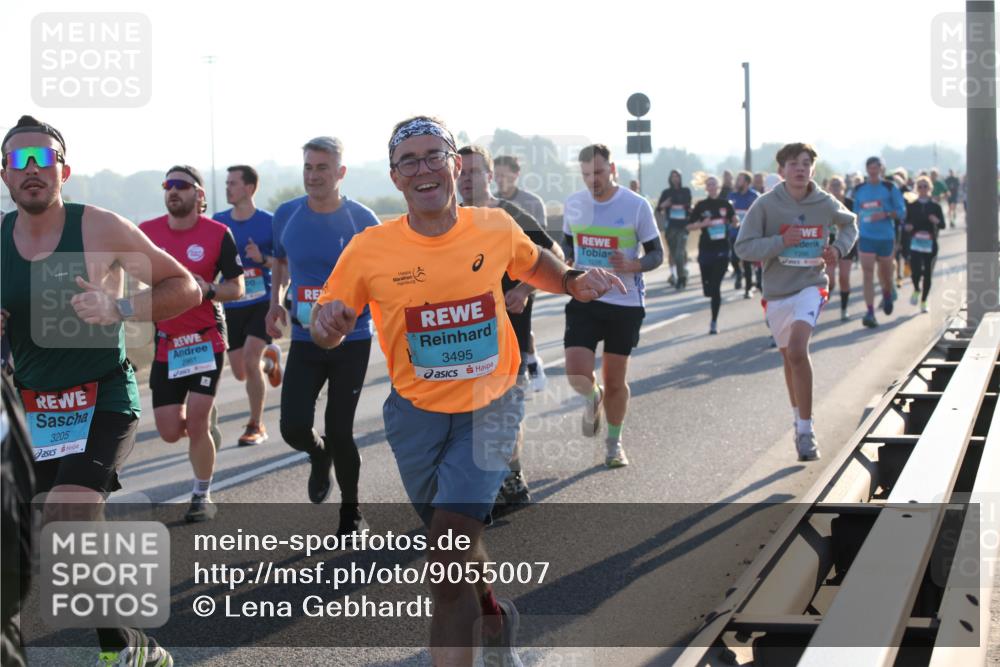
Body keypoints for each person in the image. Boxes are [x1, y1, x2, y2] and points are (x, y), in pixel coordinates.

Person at [311, 116, 624, 666]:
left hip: (492, 406)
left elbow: (538, 265)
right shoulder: (371, 248)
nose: (424, 168)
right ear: (395, 177)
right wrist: (329, 323)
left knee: (445, 560)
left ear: (456, 164)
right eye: (410, 161)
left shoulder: (494, 226)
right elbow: (324, 319)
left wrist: (573, 279)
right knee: (454, 544)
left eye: (435, 155)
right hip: (414, 416)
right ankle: (496, 619)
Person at [1, 114, 200, 666]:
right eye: (21, 160)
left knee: (67, 514)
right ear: (4, 174)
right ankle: (130, 646)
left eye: (45, 159)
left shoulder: (99, 227)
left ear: (65, 170)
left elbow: (184, 285)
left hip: (102, 399)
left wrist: (121, 307)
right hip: (34, 408)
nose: (33, 170)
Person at [265, 136, 380, 536]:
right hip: (304, 337)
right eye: (308, 168)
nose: (313, 176)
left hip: (353, 340)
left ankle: (351, 511)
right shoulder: (287, 214)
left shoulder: (362, 221)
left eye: (322, 168)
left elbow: (379, 278)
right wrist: (275, 301)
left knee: (341, 428)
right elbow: (280, 261)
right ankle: (318, 455)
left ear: (340, 173)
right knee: (293, 427)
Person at [735, 142, 857, 461]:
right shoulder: (765, 205)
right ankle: (798, 420)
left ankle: (806, 430)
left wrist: (838, 249)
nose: (800, 169)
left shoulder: (824, 202)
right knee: (789, 358)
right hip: (777, 292)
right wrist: (780, 242)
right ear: (781, 171)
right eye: (793, 164)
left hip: (811, 285)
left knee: (799, 350)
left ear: (812, 169)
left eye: (805, 163)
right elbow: (743, 248)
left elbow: (850, 223)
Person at [456, 144, 563, 509]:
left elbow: (556, 257)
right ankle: (487, 481)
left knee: (502, 410)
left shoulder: (509, 215)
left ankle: (512, 475)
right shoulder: (448, 218)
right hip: (466, 332)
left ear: (489, 177)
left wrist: (525, 288)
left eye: (473, 172)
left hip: (510, 328)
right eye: (460, 172)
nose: (465, 180)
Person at [140, 165, 245, 523]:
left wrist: (208, 290)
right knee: (170, 432)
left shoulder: (218, 233)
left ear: (199, 195)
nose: (173, 191)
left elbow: (237, 287)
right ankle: (205, 422)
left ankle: (202, 495)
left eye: (182, 185)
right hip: (167, 343)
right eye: (168, 185)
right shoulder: (146, 233)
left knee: (197, 423)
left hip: (205, 340)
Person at [563, 144, 662, 467]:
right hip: (585, 298)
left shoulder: (636, 206)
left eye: (599, 172)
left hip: (624, 302)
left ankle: (614, 443)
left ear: (613, 169)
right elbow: (567, 249)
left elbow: (656, 254)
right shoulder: (574, 205)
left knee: (616, 379)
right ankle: (594, 397)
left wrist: (633, 265)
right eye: (586, 174)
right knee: (578, 374)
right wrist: (564, 268)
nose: (593, 180)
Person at [214, 165, 283, 447]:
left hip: (261, 302)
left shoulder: (269, 222)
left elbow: (283, 265)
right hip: (231, 304)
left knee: (249, 362)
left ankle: (256, 425)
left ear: (250, 188)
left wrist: (262, 258)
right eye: (227, 183)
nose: (228, 187)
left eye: (233, 183)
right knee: (241, 371)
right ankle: (271, 360)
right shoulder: (218, 221)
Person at [494, 154, 549, 391]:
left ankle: (527, 367)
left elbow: (542, 245)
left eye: (505, 175)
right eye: (496, 175)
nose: (500, 180)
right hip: (497, 276)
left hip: (526, 275)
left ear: (517, 175)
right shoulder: (487, 202)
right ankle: (530, 363)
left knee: (520, 327)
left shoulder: (532, 203)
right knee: (506, 328)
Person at [852, 156, 906, 328]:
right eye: (870, 167)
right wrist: (854, 231)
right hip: (866, 237)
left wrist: (886, 214)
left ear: (881, 169)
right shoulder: (859, 189)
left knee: (885, 274)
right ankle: (870, 312)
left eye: (876, 167)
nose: (873, 170)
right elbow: (855, 213)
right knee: (867, 274)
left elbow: (902, 211)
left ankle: (887, 293)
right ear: (867, 169)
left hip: (885, 237)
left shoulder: (890, 187)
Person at [687, 175, 737, 334]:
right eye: (709, 184)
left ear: (718, 186)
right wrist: (703, 224)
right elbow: (688, 226)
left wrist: (735, 221)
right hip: (706, 250)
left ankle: (713, 322)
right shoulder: (701, 205)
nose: (712, 186)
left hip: (722, 249)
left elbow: (735, 221)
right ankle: (709, 292)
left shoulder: (726, 204)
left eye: (714, 183)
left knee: (715, 287)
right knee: (707, 290)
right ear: (706, 188)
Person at [905, 176, 946, 313]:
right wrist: (908, 227)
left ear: (930, 188)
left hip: (930, 243)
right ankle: (916, 289)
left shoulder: (935, 206)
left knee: (927, 273)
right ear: (917, 188)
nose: (923, 189)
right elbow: (906, 223)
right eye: (920, 186)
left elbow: (943, 225)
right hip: (915, 243)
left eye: (925, 186)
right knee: (915, 272)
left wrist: (936, 221)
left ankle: (924, 301)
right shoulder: (912, 205)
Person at [825, 176, 857, 321]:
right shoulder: (825, 203)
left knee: (844, 278)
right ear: (828, 188)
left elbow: (856, 223)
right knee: (830, 280)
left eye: (839, 185)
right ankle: (828, 291)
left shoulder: (850, 203)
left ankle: (844, 309)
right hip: (829, 244)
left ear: (844, 187)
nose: (836, 188)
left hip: (846, 244)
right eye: (833, 185)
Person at [656, 169, 692, 289]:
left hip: (683, 226)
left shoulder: (686, 191)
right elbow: (658, 209)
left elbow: (689, 208)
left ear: (680, 178)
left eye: (677, 176)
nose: (675, 178)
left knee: (679, 252)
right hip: (670, 227)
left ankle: (681, 278)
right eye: (673, 176)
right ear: (670, 178)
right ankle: (677, 274)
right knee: (673, 253)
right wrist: (664, 205)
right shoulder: (666, 193)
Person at [727, 171, 760, 298]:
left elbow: (759, 215)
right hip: (734, 232)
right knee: (733, 258)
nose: (736, 182)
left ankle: (748, 289)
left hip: (748, 234)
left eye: (739, 179)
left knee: (746, 262)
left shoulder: (754, 196)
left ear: (746, 182)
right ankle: (737, 272)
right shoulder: (731, 196)